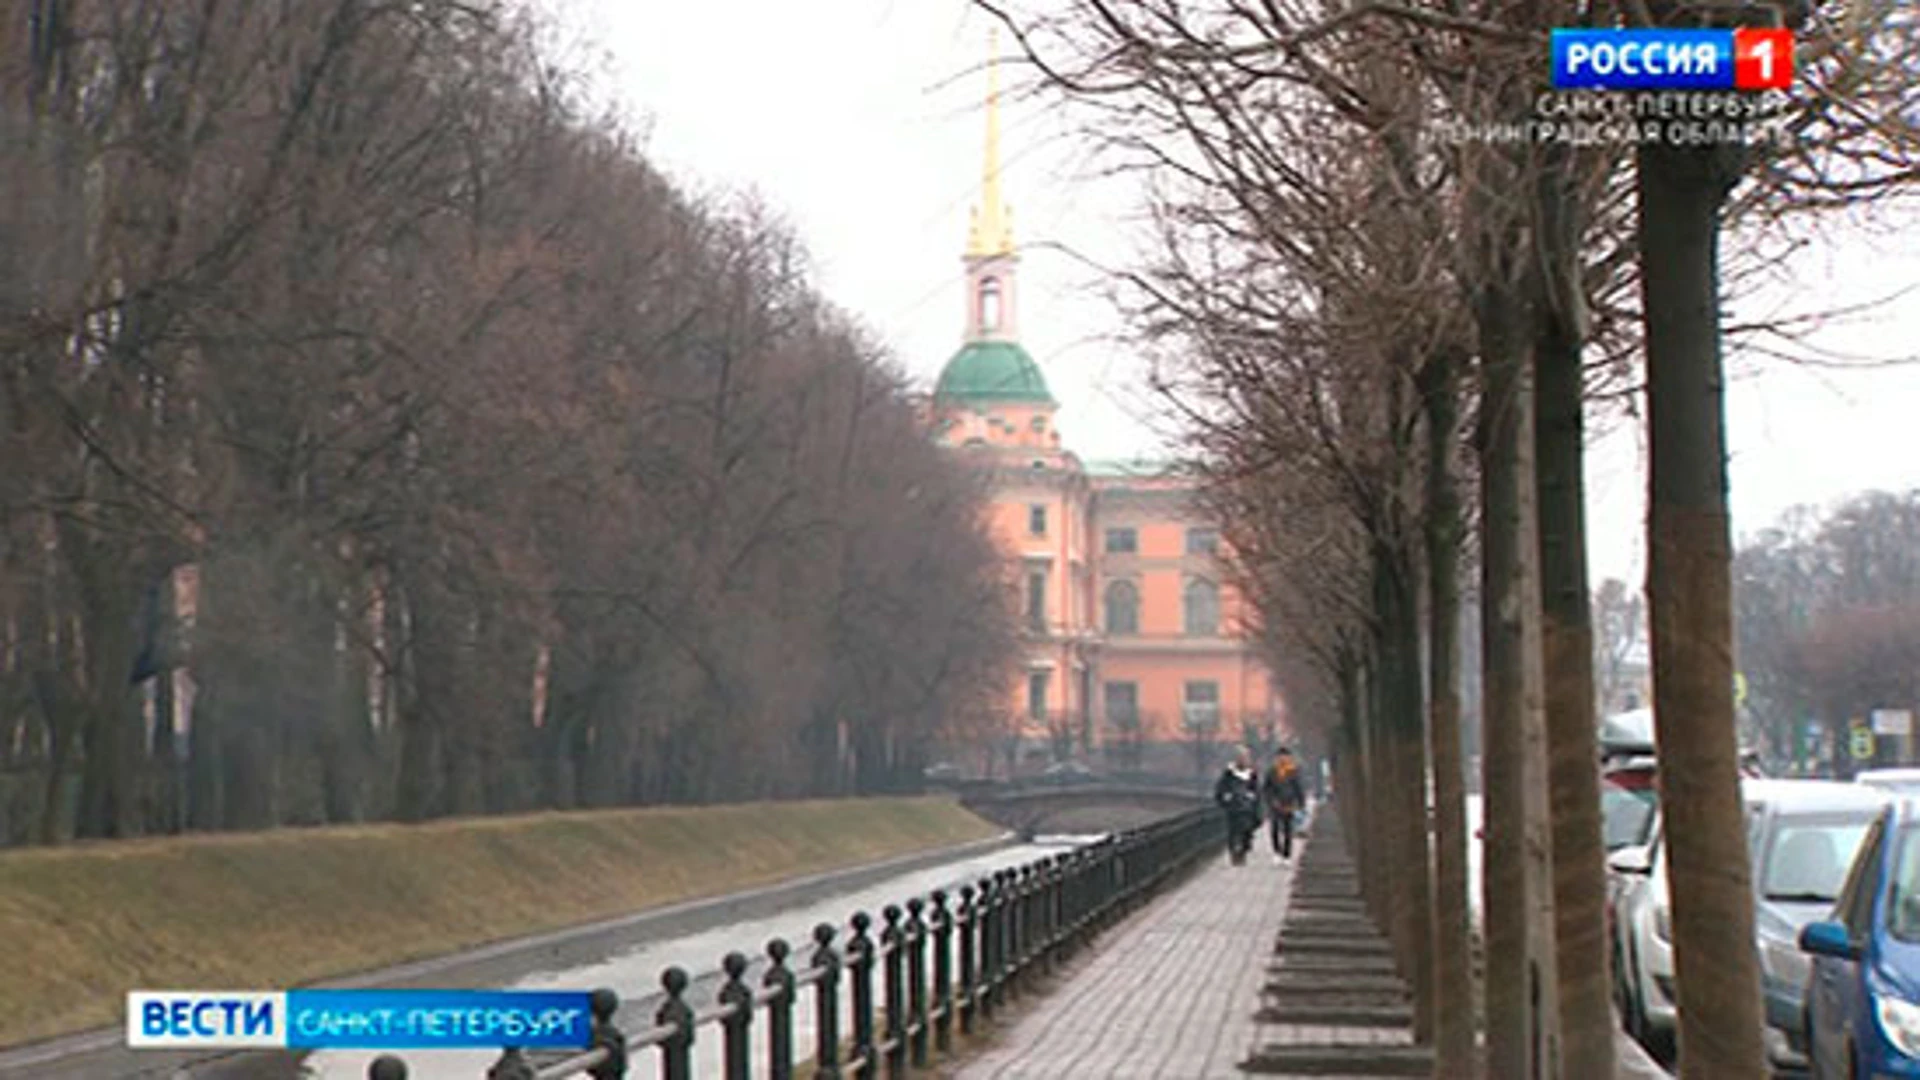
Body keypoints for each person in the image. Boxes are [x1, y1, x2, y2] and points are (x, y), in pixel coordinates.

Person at [1214, 745, 1262, 866]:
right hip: (1233, 807)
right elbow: (1220, 788)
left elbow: (1257, 789)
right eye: (1240, 757)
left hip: (1247, 807)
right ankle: (1234, 854)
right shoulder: (1229, 773)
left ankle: (1243, 851)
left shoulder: (1252, 773)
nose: (1243, 759)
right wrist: (1225, 799)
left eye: (1245, 757)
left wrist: (1254, 798)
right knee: (1233, 832)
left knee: (1246, 831)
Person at [1262, 746, 1307, 862]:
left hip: (1289, 803)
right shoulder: (1271, 771)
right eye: (1280, 757)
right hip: (1275, 804)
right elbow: (1266, 788)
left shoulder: (1293, 771)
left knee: (1288, 829)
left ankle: (1287, 854)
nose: (1283, 759)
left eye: (1285, 756)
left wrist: (1301, 803)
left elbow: (1298, 787)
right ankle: (1277, 851)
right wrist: (1270, 800)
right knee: (1275, 828)